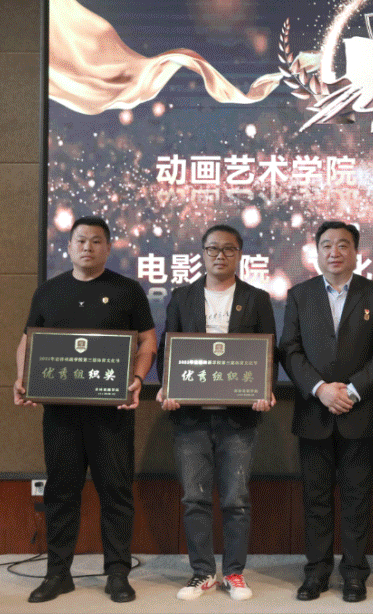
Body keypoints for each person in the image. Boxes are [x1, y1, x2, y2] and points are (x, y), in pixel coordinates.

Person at [13, 216, 157, 604]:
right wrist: (23, 378)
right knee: (61, 491)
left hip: (112, 412)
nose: (87, 247)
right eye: (80, 240)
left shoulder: (128, 290)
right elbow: (27, 342)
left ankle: (117, 574)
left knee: (116, 492)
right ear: (69, 247)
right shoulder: (49, 291)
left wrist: (138, 378)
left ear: (108, 248)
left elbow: (148, 341)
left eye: (96, 241)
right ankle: (58, 574)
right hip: (61, 414)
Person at [155, 224, 277, 602]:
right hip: (191, 417)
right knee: (194, 498)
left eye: (228, 249)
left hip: (238, 418)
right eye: (212, 249)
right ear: (202, 253)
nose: (219, 256)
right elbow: (168, 348)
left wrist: (264, 390)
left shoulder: (256, 299)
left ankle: (235, 572)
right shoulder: (183, 297)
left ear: (239, 254)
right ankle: (203, 572)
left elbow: (269, 352)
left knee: (235, 499)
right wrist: (168, 387)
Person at [278, 221, 373, 603]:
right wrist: (320, 389)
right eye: (327, 245)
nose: (335, 252)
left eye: (343, 245)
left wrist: (353, 390)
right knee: (315, 499)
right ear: (316, 252)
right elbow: (289, 350)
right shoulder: (300, 295)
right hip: (314, 413)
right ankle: (316, 572)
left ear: (355, 252)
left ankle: (355, 574)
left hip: (359, 412)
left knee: (357, 499)